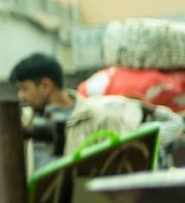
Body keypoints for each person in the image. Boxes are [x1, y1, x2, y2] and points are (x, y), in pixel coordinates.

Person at [10, 53, 183, 169]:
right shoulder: (22, 124)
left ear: (46, 86)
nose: (21, 96)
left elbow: (119, 170)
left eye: (25, 88)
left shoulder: (98, 118)